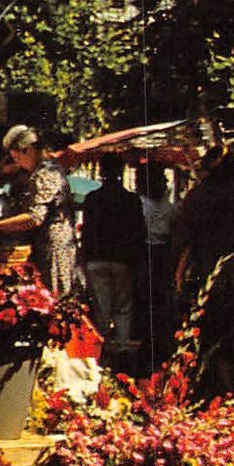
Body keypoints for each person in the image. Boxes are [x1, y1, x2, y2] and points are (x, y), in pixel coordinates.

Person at [169, 145, 234, 401]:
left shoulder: (195, 197)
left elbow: (184, 239)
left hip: (205, 271)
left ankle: (205, 390)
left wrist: (180, 274)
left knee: (206, 332)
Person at [0, 124, 79, 297]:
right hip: (46, 249)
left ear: (28, 150)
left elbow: (34, 218)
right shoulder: (41, 171)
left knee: (56, 305)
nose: (18, 164)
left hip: (55, 252)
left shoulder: (47, 173)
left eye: (17, 158)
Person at [81, 151, 150, 369]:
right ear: (121, 171)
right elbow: (139, 233)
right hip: (123, 260)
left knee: (101, 308)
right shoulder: (131, 200)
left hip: (96, 260)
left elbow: (86, 232)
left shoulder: (92, 199)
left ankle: (99, 358)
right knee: (123, 307)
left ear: (101, 172)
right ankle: (121, 355)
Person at [136, 157, 177, 369]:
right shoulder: (165, 205)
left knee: (150, 301)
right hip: (157, 254)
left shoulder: (145, 204)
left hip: (151, 253)